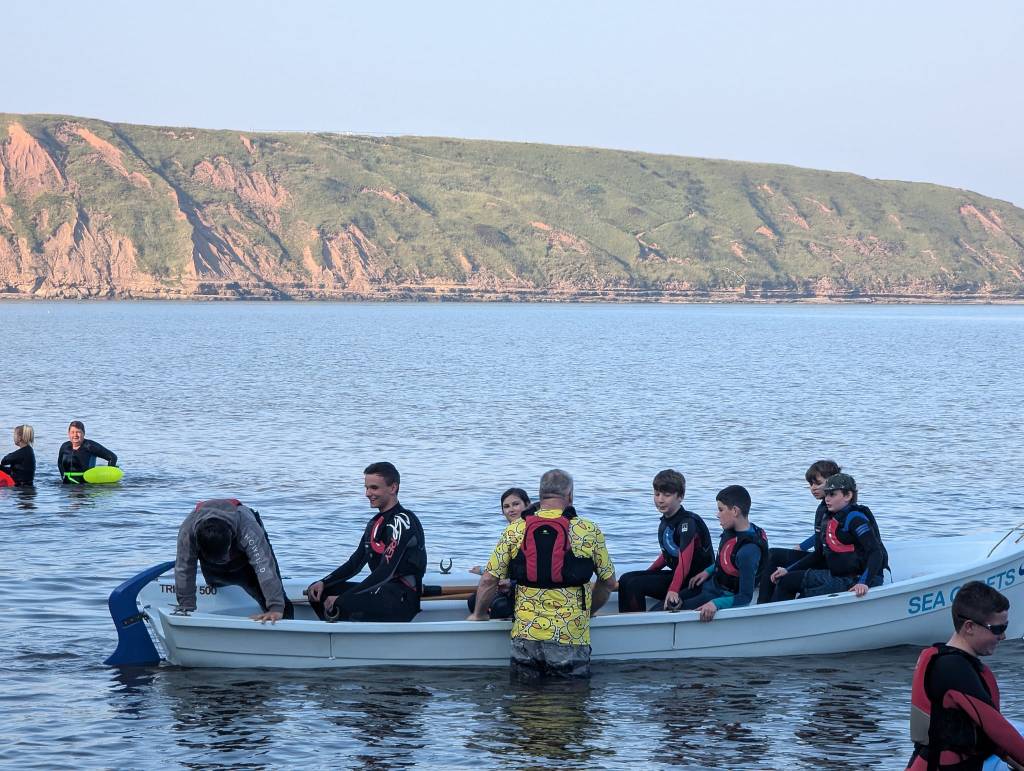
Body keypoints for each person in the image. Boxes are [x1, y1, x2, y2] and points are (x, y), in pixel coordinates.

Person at [467, 469, 617, 680]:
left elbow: (489, 579)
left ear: (539, 495)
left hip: (526, 634)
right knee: (569, 700)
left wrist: (479, 613)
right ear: (570, 495)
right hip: (570, 634)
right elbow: (608, 582)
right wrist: (588, 611)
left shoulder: (515, 529)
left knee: (524, 701)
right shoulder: (588, 530)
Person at [906, 581, 1024, 770]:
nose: (1003, 636)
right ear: (969, 627)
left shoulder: (956, 662)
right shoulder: (952, 668)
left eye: (1005, 626)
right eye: (998, 629)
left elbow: (989, 737)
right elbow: (997, 729)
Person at [306, 462, 427, 622]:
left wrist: (345, 597)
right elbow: (355, 563)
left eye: (374, 488)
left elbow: (386, 572)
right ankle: (335, 635)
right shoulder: (375, 522)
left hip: (401, 598)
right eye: (366, 487)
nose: (368, 493)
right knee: (319, 591)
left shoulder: (402, 520)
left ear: (393, 488)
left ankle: (345, 635)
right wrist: (323, 581)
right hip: (381, 591)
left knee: (344, 601)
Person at [769, 472, 887, 602]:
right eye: (826, 494)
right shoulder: (829, 518)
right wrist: (788, 569)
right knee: (787, 580)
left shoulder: (856, 519)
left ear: (848, 495)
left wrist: (863, 582)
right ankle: (772, 615)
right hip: (836, 575)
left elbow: (876, 552)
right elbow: (818, 554)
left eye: (832, 494)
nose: (827, 499)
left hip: (857, 579)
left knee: (804, 596)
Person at [174, 498, 294, 623]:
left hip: (242, 558)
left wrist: (276, 607)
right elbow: (184, 568)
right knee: (215, 581)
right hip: (211, 566)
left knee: (282, 607)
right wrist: (186, 607)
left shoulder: (247, 527)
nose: (221, 561)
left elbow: (264, 566)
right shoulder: (187, 532)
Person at [617, 469, 714, 612]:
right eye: (657, 494)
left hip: (696, 583)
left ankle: (636, 627)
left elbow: (684, 563)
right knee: (627, 579)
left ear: (680, 496)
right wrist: (647, 573)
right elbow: (669, 552)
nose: (660, 500)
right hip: (681, 577)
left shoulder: (687, 523)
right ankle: (627, 624)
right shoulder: (668, 519)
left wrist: (673, 590)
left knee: (634, 584)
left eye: (667, 495)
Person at [676, 485, 768, 621]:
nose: (717, 514)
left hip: (721, 596)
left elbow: (745, 597)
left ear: (735, 511)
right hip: (711, 585)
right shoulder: (733, 530)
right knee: (671, 601)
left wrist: (716, 604)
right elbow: (728, 561)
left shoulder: (748, 551)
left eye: (721, 509)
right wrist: (707, 571)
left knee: (671, 612)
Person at [757, 460, 841, 604]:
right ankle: (762, 605)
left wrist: (789, 569)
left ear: (832, 481)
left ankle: (775, 610)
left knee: (786, 576)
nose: (813, 488)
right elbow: (820, 535)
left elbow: (822, 550)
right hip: (821, 558)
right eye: (810, 484)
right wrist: (802, 547)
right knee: (773, 554)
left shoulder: (838, 508)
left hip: (831, 564)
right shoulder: (823, 508)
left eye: (817, 483)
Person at [467, 487, 531, 619]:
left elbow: (489, 579)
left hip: (528, 594)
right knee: (474, 600)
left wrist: (511, 584)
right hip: (520, 586)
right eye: (506, 506)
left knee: (492, 606)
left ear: (528, 505)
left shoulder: (514, 532)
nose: (511, 509)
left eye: (516, 504)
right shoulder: (512, 530)